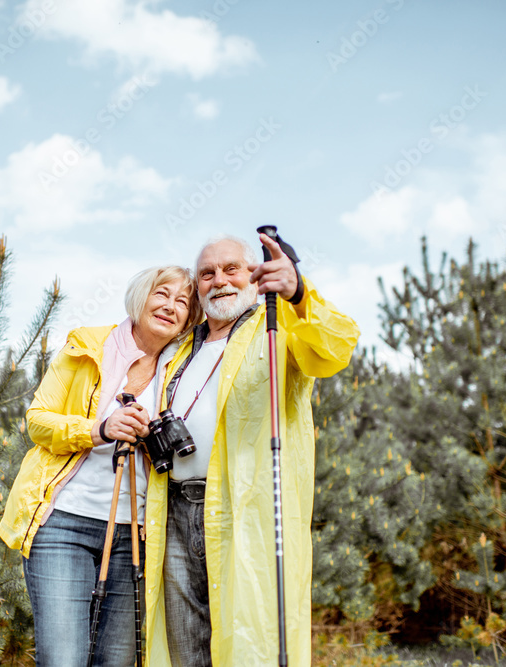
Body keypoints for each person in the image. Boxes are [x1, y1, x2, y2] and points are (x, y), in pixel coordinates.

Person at [142, 233, 360, 666]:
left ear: (253, 275)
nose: (218, 280)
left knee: (249, 640)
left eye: (231, 269)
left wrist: (298, 291)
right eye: (207, 273)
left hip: (246, 511)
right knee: (184, 643)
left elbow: (335, 348)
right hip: (172, 512)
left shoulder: (279, 326)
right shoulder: (177, 347)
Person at [0, 265, 202, 667]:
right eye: (162, 294)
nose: (170, 306)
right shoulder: (89, 346)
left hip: (137, 532)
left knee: (116, 660)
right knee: (63, 659)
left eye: (183, 302)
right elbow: (38, 421)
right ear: (141, 296)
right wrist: (100, 429)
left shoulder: (184, 366)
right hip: (63, 524)